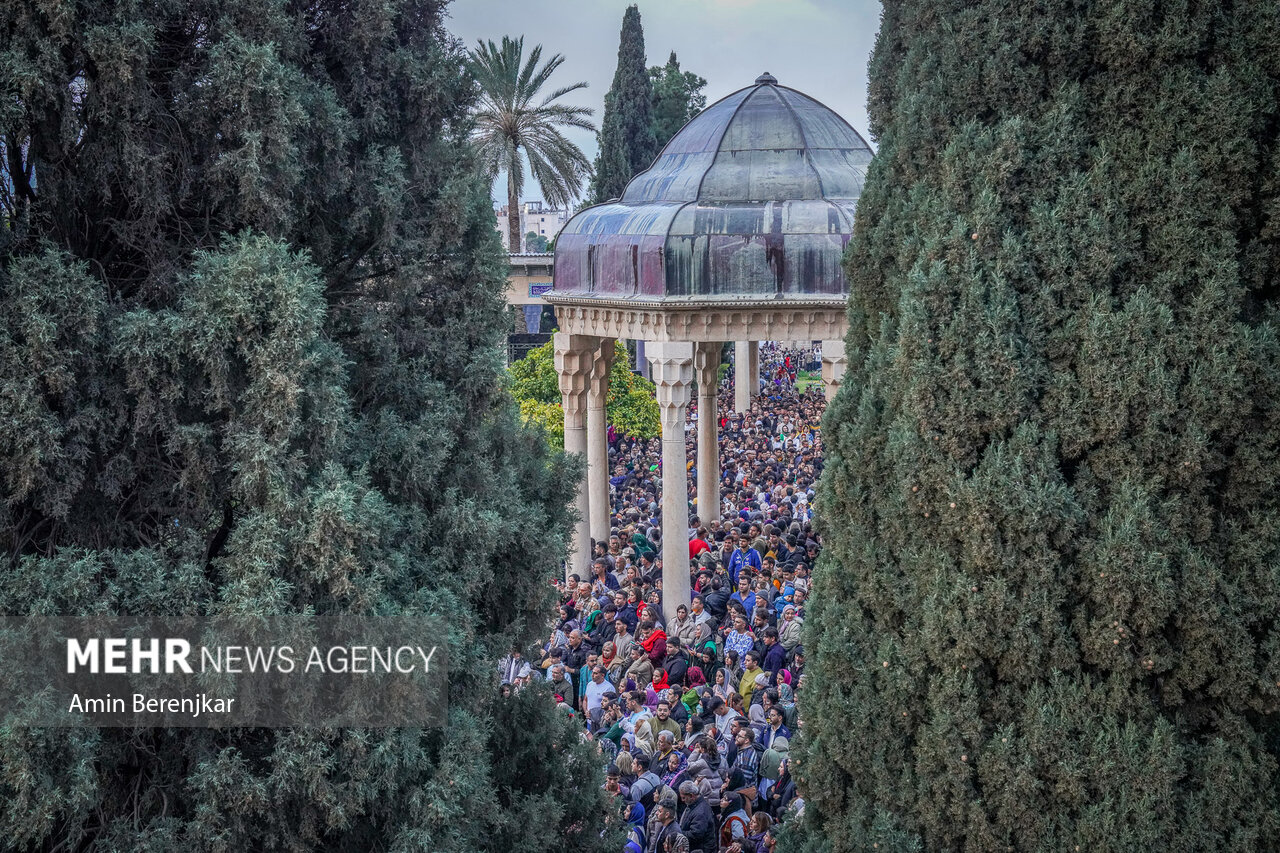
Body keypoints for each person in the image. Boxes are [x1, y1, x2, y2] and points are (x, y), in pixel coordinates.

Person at [677, 782, 717, 853]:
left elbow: (695, 834)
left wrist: (678, 833)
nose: (682, 800)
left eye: (684, 798)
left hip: (702, 849)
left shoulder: (700, 812)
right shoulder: (694, 804)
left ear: (691, 796)